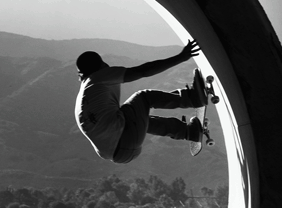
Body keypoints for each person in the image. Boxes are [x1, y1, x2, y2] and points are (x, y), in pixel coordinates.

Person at [74, 39, 206, 165]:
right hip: (124, 139)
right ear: (100, 66)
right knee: (143, 97)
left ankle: (188, 132)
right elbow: (142, 71)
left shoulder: (84, 95)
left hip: (120, 154)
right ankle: (192, 98)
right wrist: (181, 57)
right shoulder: (98, 77)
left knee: (132, 116)